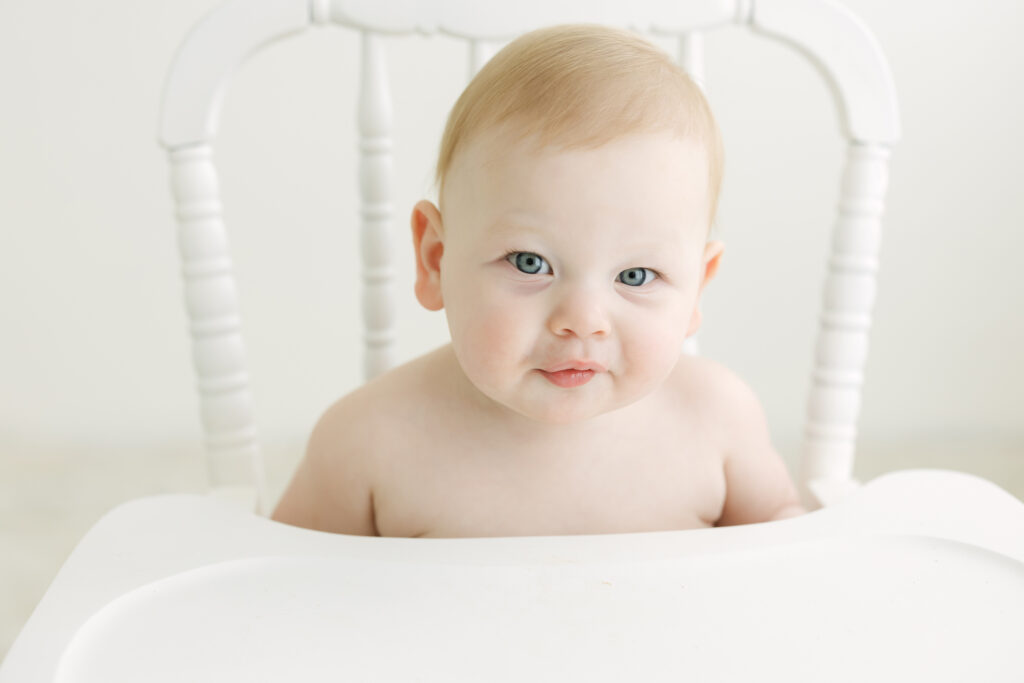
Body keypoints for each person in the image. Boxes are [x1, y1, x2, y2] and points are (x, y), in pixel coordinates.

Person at [272, 24, 805, 537]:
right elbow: (277, 590)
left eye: (636, 275)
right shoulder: (369, 443)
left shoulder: (715, 420)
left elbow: (790, 565)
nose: (582, 321)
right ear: (436, 259)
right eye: (530, 263)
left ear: (697, 289)